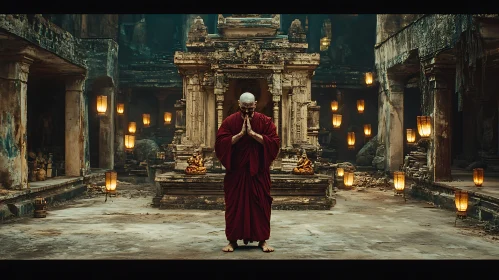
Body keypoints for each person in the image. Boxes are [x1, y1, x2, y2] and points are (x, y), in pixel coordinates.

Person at [215, 92, 280, 253]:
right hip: (237, 173)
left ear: (255, 104)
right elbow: (221, 144)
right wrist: (240, 134)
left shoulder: (265, 122)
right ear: (239, 104)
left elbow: (274, 143)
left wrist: (252, 134)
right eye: (244, 109)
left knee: (261, 205)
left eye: (250, 109)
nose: (247, 113)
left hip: (258, 172)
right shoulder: (230, 122)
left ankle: (262, 240)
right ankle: (232, 240)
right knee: (234, 207)